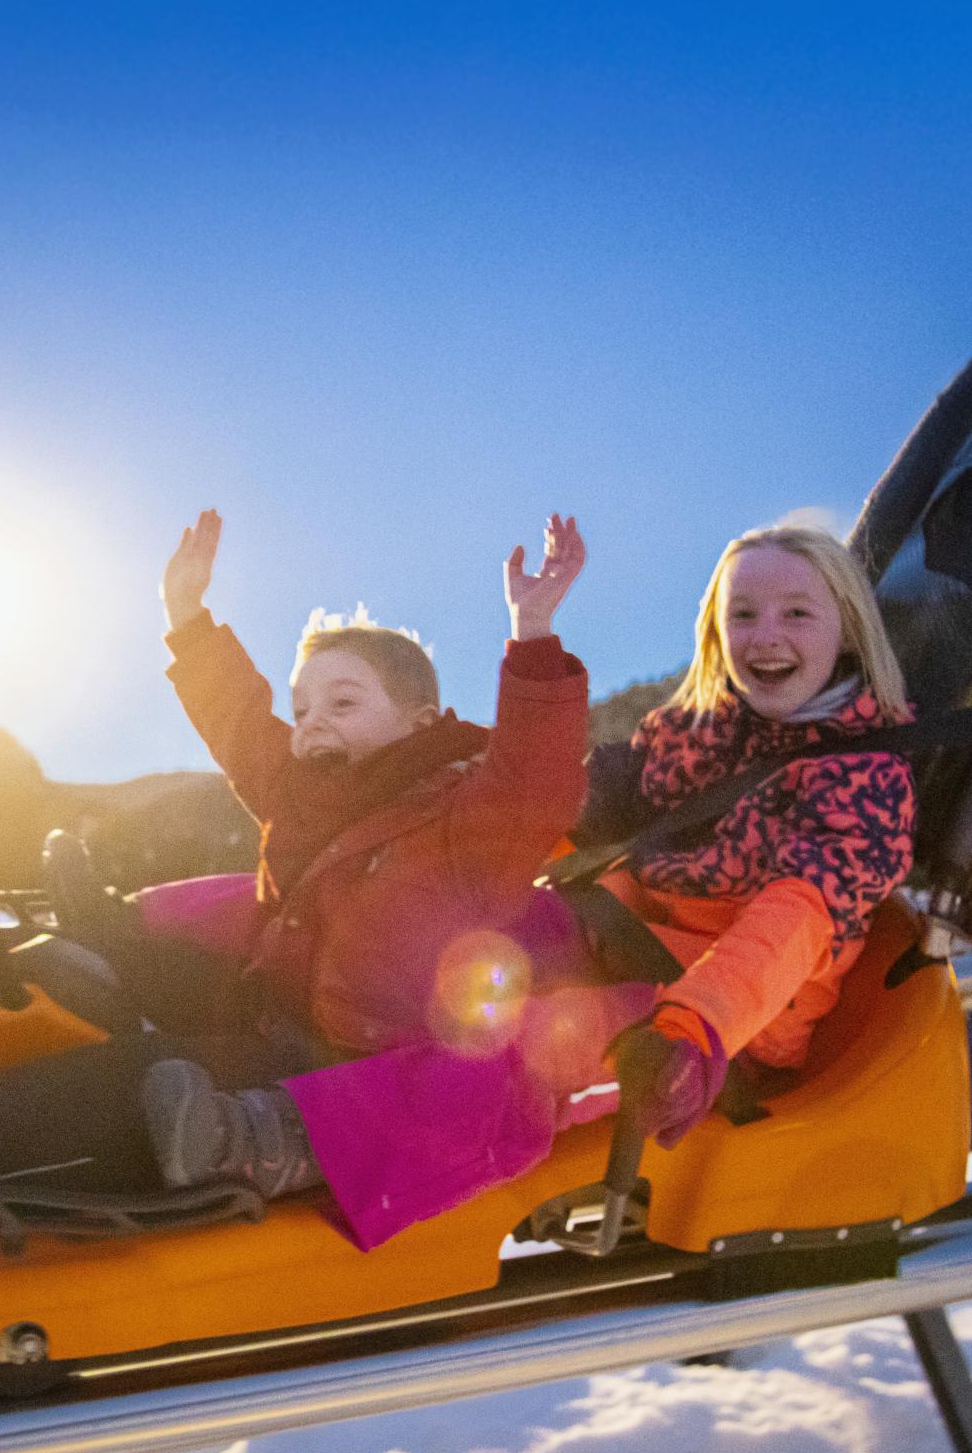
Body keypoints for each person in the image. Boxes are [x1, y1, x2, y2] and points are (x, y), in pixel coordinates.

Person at [0, 507, 593, 1198]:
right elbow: (239, 724)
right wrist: (186, 617)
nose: (309, 725)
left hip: (338, 1073)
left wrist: (532, 636)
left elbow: (535, 786)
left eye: (343, 703)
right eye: (301, 708)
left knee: (133, 1075)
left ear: (422, 721)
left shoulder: (465, 821)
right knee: (115, 950)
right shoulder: (308, 792)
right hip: (268, 1006)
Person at [283, 519, 918, 1250]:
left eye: (797, 613)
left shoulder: (863, 778)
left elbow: (791, 924)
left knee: (539, 1042)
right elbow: (564, 811)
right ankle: (333, 1056)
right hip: (625, 936)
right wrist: (456, 852)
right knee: (459, 944)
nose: (765, 634)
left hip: (727, 1017)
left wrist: (694, 1028)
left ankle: (294, 1137)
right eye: (742, 613)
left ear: (846, 631)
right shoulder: (694, 734)